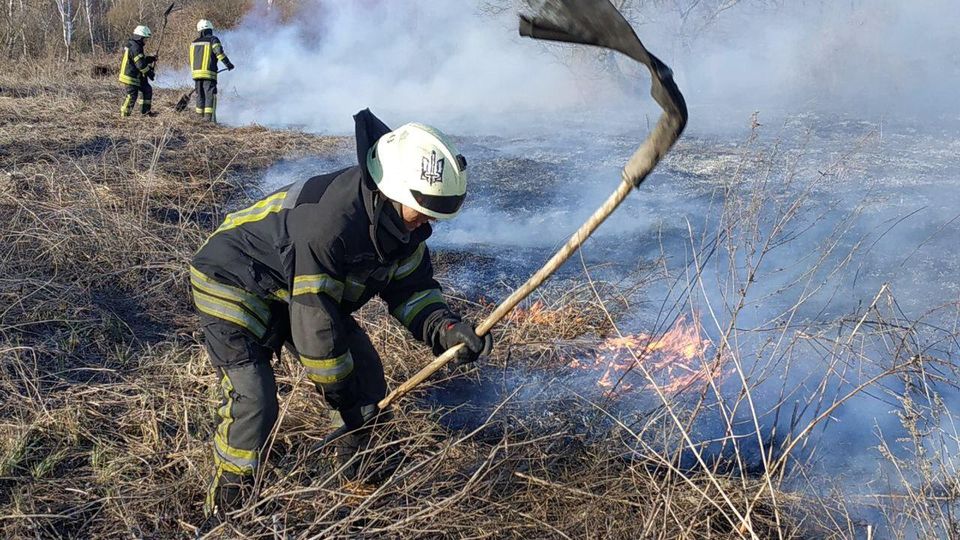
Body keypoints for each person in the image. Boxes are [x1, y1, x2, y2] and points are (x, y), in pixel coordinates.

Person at [190, 109, 492, 520]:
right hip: (234, 278)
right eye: (423, 210)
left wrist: (446, 328)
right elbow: (316, 328)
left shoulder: (403, 228)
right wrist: (346, 400)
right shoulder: (331, 226)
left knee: (365, 374)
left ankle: (362, 475)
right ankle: (229, 508)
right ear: (393, 191)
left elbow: (412, 291)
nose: (429, 223)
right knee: (255, 400)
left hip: (295, 287)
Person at [189, 19, 234, 122]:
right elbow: (219, 53)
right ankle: (209, 120)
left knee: (200, 96)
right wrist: (228, 64)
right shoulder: (213, 40)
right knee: (210, 96)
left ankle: (199, 119)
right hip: (209, 74)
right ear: (209, 30)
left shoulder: (193, 43)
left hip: (196, 74)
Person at [118, 25, 156, 117]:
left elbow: (138, 59)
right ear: (140, 37)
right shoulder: (136, 47)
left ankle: (145, 112)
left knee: (147, 89)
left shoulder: (134, 45)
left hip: (135, 75)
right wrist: (149, 73)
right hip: (130, 76)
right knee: (132, 95)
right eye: (145, 39)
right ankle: (124, 116)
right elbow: (141, 65)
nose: (146, 41)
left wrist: (150, 59)